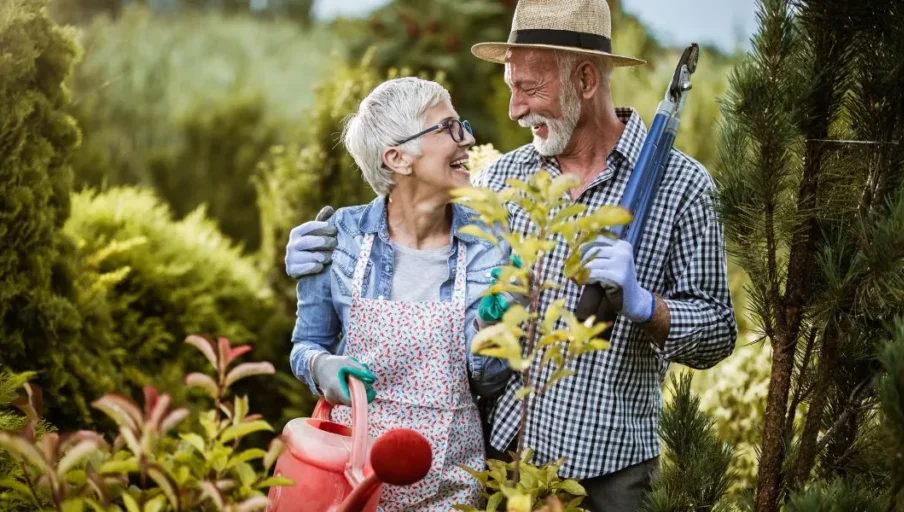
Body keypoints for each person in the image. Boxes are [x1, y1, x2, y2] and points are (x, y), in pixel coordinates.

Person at [284, 1, 738, 510]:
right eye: (510, 88)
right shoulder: (499, 182)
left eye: (529, 89)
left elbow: (718, 332)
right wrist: (317, 254)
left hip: (613, 476)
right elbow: (409, 231)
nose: (514, 110)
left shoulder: (683, 185)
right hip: (501, 461)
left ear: (586, 79)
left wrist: (644, 305)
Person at [286, 76, 513, 511]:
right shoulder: (341, 238)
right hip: (349, 484)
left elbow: (489, 381)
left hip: (450, 488)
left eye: (460, 124)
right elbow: (305, 345)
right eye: (447, 128)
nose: (467, 137)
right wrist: (321, 364)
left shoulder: (486, 241)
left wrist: (494, 327)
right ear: (398, 158)